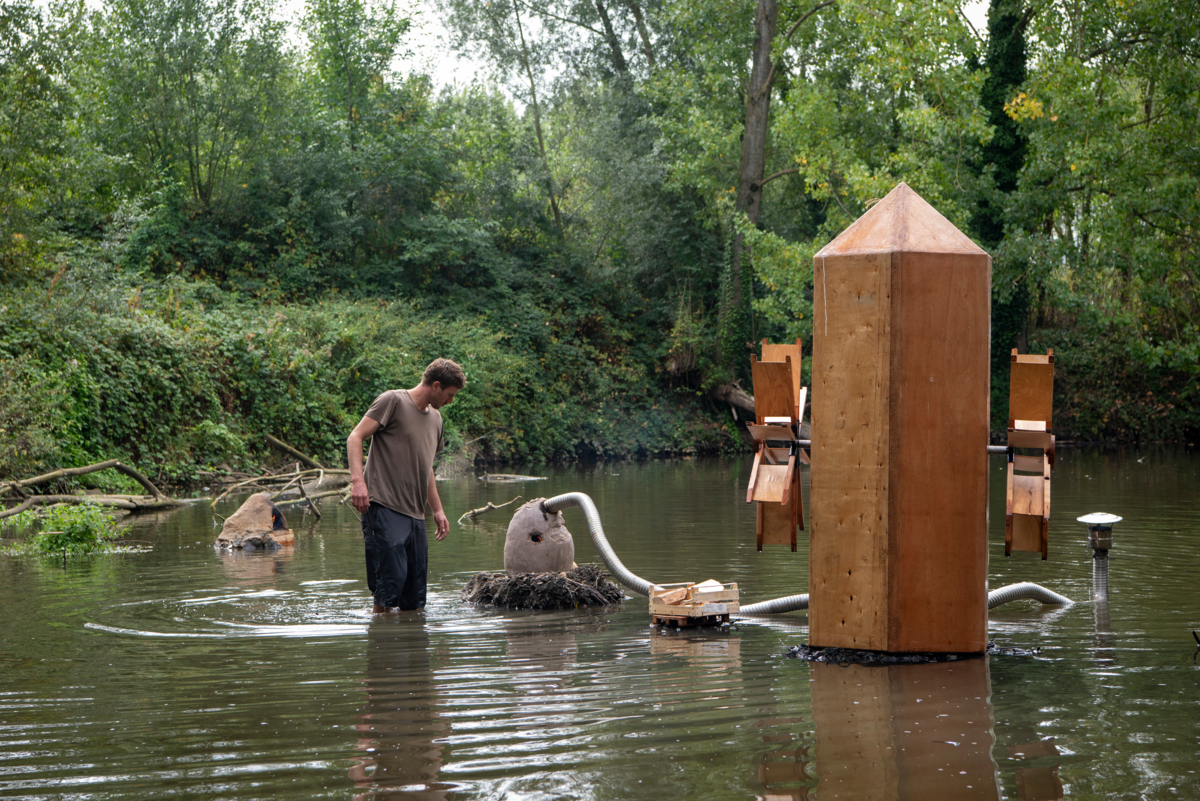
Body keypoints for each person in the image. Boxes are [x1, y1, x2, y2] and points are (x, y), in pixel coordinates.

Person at [347, 358, 466, 613]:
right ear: (436, 385)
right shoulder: (392, 401)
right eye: (449, 394)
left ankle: (410, 638)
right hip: (384, 507)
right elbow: (355, 437)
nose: (450, 401)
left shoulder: (436, 419)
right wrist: (358, 483)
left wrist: (437, 509)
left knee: (415, 599)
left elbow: (426, 467)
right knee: (387, 592)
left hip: (416, 517)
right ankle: (382, 635)